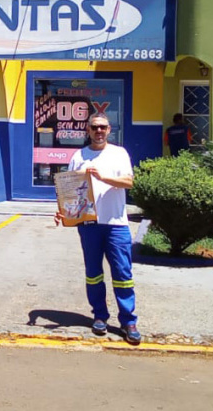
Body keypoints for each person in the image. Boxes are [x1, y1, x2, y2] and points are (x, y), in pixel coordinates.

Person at [54, 113, 141, 344]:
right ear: (88, 130)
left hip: (116, 224)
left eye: (102, 127)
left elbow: (129, 182)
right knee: (93, 274)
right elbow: (70, 190)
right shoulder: (78, 156)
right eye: (94, 127)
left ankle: (128, 321)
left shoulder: (119, 153)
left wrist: (103, 177)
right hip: (89, 224)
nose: (99, 131)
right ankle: (99, 317)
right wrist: (63, 211)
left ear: (109, 129)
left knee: (123, 274)